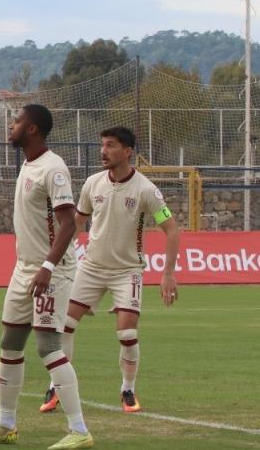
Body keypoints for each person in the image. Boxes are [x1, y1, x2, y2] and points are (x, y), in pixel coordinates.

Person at [0, 105, 93, 450]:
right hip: (24, 267)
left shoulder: (54, 169)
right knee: (10, 343)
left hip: (51, 270)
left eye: (16, 121)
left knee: (47, 345)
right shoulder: (28, 165)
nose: (10, 127)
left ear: (32, 129)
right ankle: (7, 424)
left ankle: (79, 429)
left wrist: (48, 268)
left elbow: (68, 224)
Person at [65, 126, 180, 413]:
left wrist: (167, 273)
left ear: (127, 152)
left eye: (111, 145)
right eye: (102, 145)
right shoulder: (92, 183)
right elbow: (78, 223)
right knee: (63, 326)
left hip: (127, 271)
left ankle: (127, 389)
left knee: (127, 333)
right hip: (90, 267)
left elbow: (172, 230)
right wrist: (55, 255)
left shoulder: (145, 189)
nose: (103, 151)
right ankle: (58, 385)